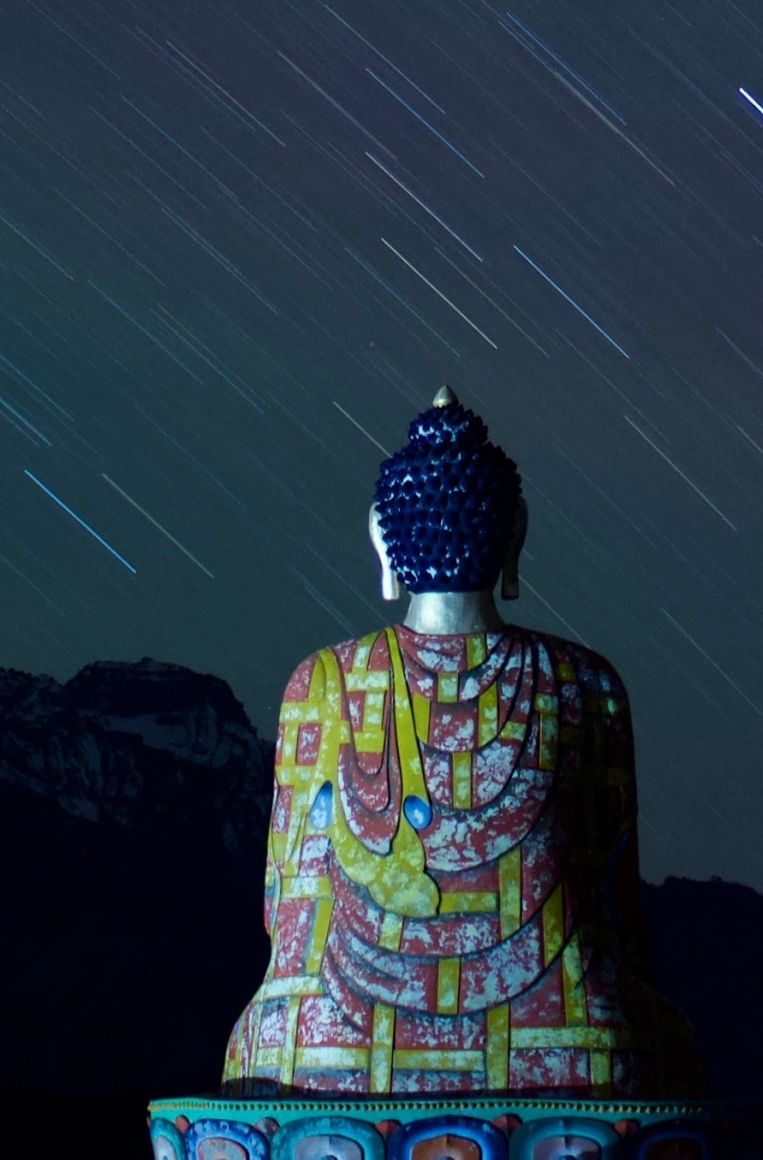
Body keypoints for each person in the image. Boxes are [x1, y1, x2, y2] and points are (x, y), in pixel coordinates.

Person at [224, 388, 704, 1098]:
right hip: (571, 1039)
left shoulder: (319, 681)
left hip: (330, 1045)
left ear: (382, 541)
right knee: (659, 1040)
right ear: (515, 535)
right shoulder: (585, 683)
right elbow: (617, 913)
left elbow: (283, 910)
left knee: (259, 1049)